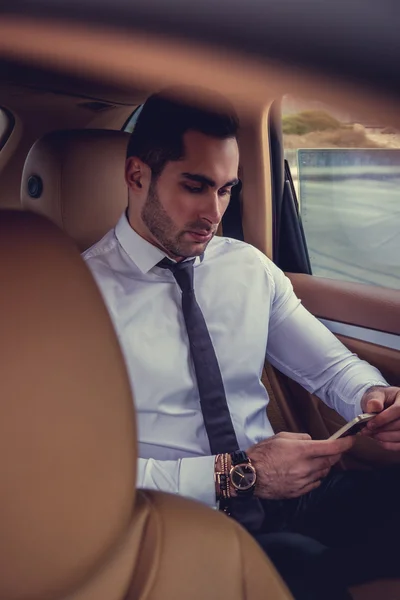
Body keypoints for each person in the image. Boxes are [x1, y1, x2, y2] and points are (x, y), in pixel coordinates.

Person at [84, 89, 400, 599]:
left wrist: (372, 397)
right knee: (306, 570)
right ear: (137, 175)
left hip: (291, 494)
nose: (214, 212)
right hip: (176, 519)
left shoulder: (247, 267)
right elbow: (84, 477)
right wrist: (239, 475)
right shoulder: (75, 299)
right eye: (196, 186)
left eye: (227, 190)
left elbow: (330, 368)